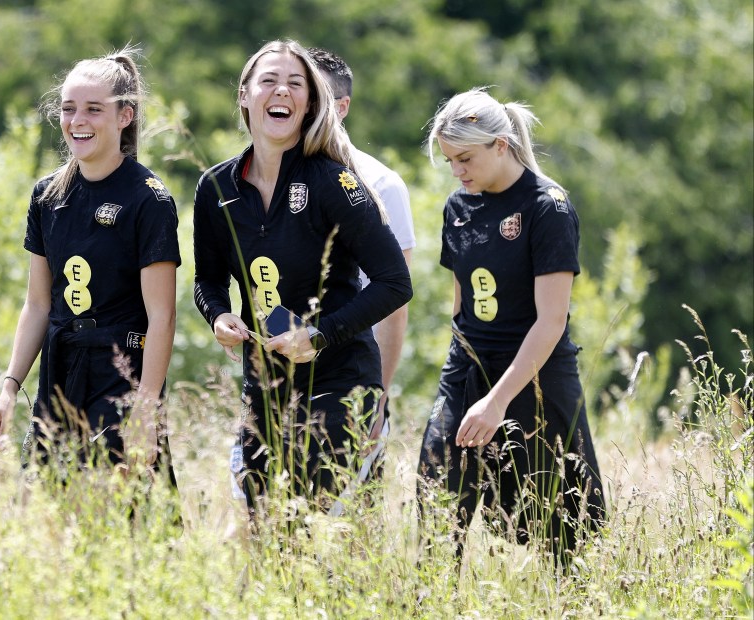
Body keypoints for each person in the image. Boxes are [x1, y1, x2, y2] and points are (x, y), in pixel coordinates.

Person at [192, 40, 413, 514]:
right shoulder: (215, 187)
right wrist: (218, 315)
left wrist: (319, 336)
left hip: (340, 380)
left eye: (296, 84)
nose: (282, 91)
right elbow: (206, 281)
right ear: (245, 95)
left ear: (311, 103)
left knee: (318, 530)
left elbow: (396, 282)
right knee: (263, 532)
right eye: (269, 80)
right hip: (264, 385)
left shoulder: (334, 181)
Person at [416, 87, 605, 567]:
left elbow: (551, 320)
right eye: (450, 161)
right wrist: (464, 384)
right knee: (437, 509)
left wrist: (497, 401)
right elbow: (460, 307)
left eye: (465, 158)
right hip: (468, 373)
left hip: (536, 378)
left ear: (501, 145)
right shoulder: (457, 208)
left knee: (562, 536)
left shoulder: (548, 207)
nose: (457, 171)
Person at [0, 47, 181, 485]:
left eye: (94, 109)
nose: (78, 120)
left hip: (121, 373)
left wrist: (146, 412)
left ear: (124, 117)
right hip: (60, 370)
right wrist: (10, 387)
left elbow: (162, 316)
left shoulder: (148, 199)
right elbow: (37, 305)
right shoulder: (47, 196)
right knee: (40, 512)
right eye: (69, 108)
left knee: (126, 517)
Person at [308, 46, 416, 473]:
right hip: (282, 382)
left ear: (343, 106)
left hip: (353, 378)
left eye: (318, 96)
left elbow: (394, 302)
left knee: (352, 527)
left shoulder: (380, 183)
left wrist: (379, 400)